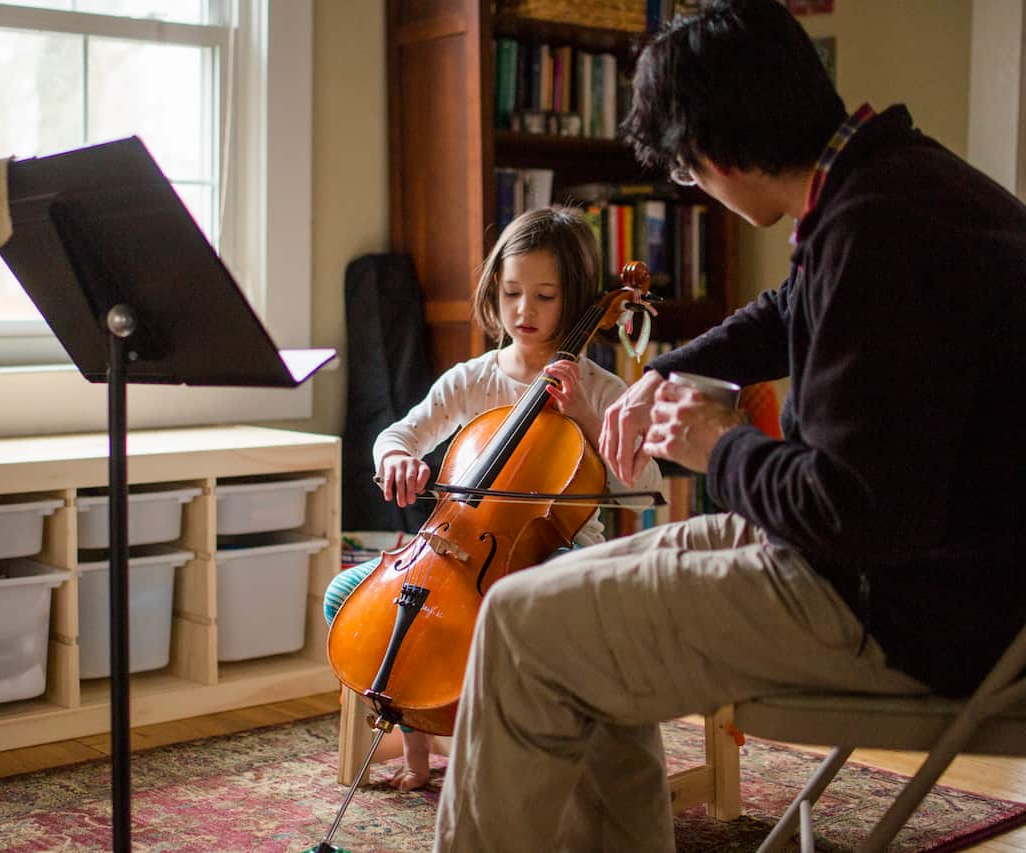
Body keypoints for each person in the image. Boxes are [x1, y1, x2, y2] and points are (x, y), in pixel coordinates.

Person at [432, 1, 1026, 850]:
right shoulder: (892, 183)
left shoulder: (878, 232)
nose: (694, 183)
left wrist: (718, 444)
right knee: (539, 609)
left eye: (683, 170)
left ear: (710, 148)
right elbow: (794, 310)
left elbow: (856, 511)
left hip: (908, 610)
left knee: (526, 633)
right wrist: (669, 373)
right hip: (901, 576)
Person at [324, 205, 663, 792]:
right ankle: (417, 745)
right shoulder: (473, 379)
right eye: (511, 293)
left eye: (545, 296)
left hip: (555, 558)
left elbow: (647, 486)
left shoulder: (604, 392)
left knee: (537, 611)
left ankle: (526, 751)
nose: (523, 312)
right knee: (346, 596)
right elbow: (397, 433)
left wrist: (583, 412)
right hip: (451, 549)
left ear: (579, 300)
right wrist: (396, 458)